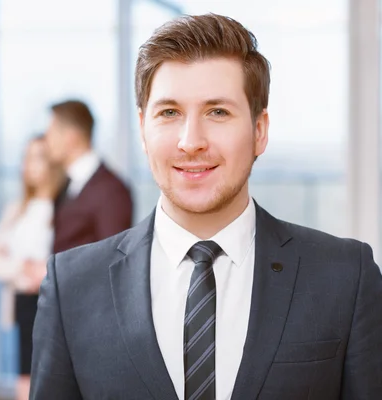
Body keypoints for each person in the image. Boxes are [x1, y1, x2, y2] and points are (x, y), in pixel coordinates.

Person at [30, 14, 382, 400]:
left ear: (259, 131)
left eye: (217, 112)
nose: (191, 141)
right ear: (144, 129)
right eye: (169, 113)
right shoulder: (73, 286)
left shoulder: (345, 277)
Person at [0, 135, 63, 400]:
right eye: (26, 157)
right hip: (22, 304)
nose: (29, 164)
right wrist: (22, 267)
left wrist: (41, 269)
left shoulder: (63, 208)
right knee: (24, 384)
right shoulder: (16, 210)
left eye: (38, 156)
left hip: (52, 303)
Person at [44, 99, 133, 253]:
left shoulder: (112, 191)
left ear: (71, 137)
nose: (47, 141)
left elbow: (113, 259)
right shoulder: (66, 184)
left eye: (52, 133)